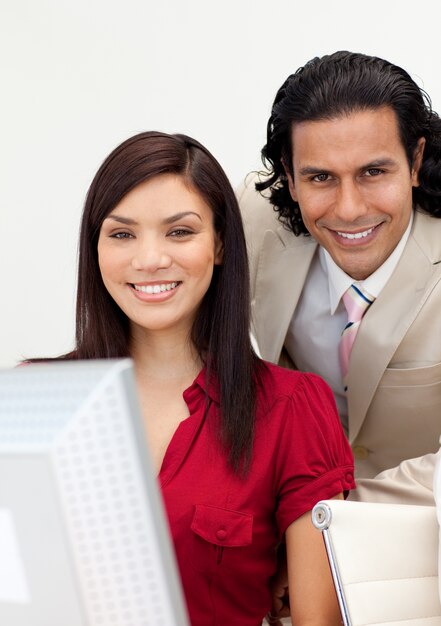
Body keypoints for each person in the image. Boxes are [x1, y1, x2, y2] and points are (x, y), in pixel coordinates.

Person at [39, 131, 355, 625]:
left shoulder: (292, 408)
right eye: (122, 234)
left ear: (221, 243)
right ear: (95, 248)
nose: (150, 259)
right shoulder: (31, 401)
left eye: (180, 232)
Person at [238, 51, 441, 507]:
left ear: (415, 160)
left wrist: (323, 520)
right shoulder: (250, 221)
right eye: (321, 177)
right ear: (289, 179)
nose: (348, 209)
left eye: (373, 172)